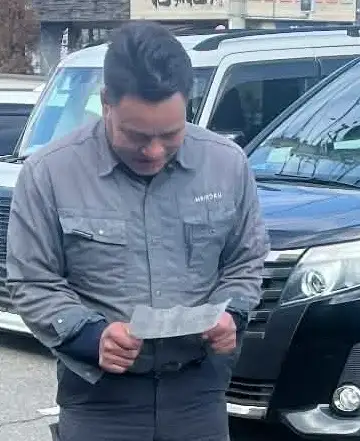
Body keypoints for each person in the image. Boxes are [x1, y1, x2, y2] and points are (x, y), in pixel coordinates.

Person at [7, 22, 269, 441]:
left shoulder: (228, 165)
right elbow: (32, 281)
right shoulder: (50, 174)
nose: (154, 151)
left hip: (198, 394)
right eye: (136, 135)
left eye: (170, 135)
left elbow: (245, 258)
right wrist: (90, 336)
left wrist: (231, 311)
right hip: (99, 400)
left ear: (188, 103)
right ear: (105, 102)